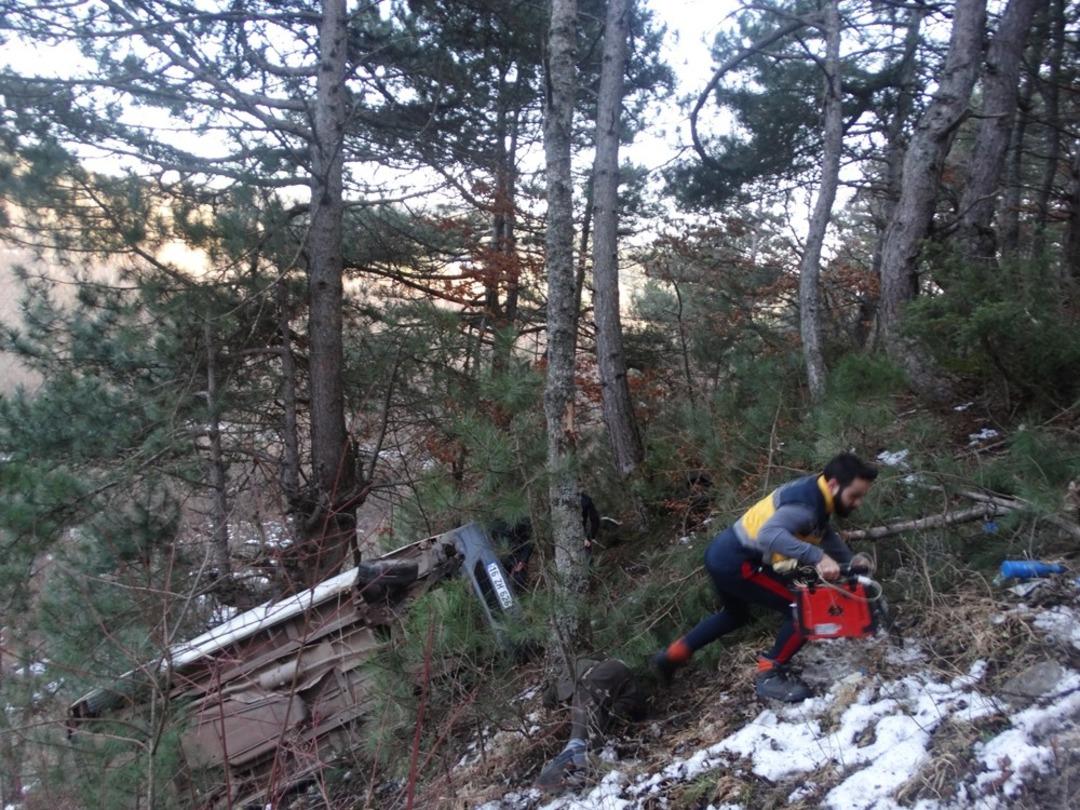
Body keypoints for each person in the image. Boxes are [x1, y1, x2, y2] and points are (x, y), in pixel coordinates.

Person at [650, 453, 878, 703]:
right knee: (804, 610)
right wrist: (818, 557)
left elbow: (822, 532)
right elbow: (769, 535)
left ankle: (672, 655)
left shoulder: (816, 494)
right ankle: (769, 674)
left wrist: (849, 561)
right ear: (834, 484)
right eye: (854, 495)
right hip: (739, 562)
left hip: (723, 554)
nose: (857, 503)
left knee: (734, 615)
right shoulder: (805, 506)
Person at [534, 657, 648, 792]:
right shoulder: (581, 662)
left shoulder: (564, 675)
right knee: (606, 718)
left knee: (581, 731)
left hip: (600, 677)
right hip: (626, 683)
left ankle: (574, 757)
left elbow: (553, 698)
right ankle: (583, 761)